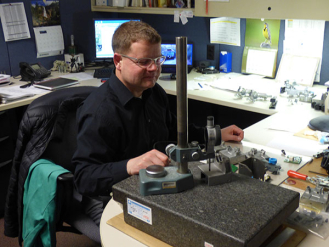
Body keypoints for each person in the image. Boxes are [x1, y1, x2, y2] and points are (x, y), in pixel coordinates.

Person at [72, 21, 244, 229]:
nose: (154, 68)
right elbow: (84, 178)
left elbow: (176, 131)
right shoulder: (99, 112)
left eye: (157, 59)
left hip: (156, 186)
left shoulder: (154, 92)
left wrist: (214, 134)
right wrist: (130, 165)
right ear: (118, 61)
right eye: (144, 61)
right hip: (113, 197)